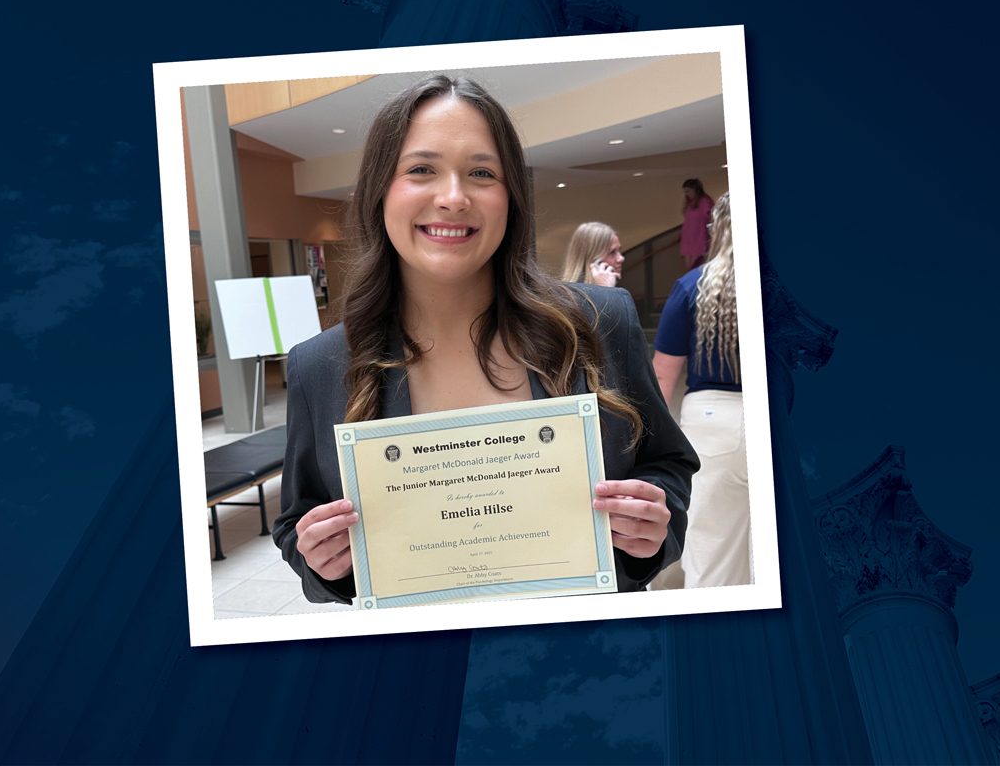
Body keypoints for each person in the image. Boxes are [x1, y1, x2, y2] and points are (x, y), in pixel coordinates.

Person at [272, 75, 699, 604]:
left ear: (511, 196)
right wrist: (325, 564)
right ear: (381, 189)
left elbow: (669, 464)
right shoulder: (320, 365)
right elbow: (297, 523)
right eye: (421, 169)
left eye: (481, 172)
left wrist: (650, 527)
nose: (453, 198)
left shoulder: (599, 323)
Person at [650, 192, 750, 589]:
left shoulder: (693, 286)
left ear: (718, 227)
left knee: (713, 549)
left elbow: (663, 377)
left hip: (712, 424)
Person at [560, 221, 624, 287]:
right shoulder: (573, 295)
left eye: (619, 250)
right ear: (593, 261)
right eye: (612, 252)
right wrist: (606, 289)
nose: (621, 258)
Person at [679, 178, 714, 270]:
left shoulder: (705, 201)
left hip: (699, 237)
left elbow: (711, 217)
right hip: (688, 238)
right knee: (689, 268)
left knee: (697, 266)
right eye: (685, 192)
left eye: (688, 191)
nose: (686, 194)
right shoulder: (689, 203)